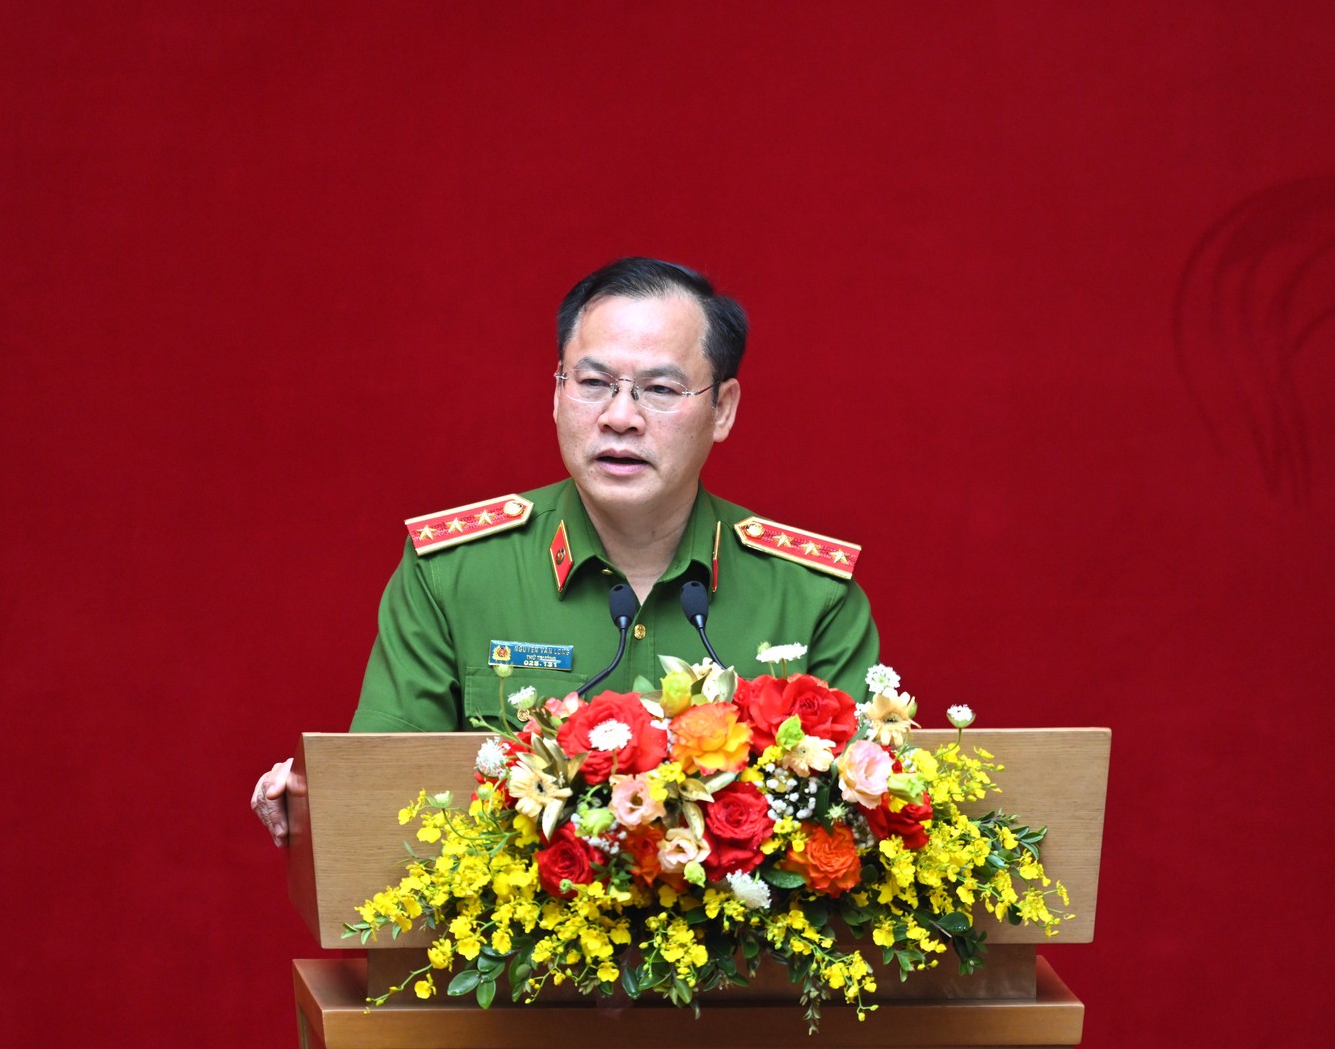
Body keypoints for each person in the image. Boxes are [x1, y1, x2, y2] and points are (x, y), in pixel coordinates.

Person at [252, 257, 880, 844]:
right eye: (594, 383)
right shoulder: (453, 572)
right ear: (556, 394)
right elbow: (382, 801)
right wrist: (320, 797)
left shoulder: (811, 593)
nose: (620, 417)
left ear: (723, 409)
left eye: (661, 389)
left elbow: (865, 822)